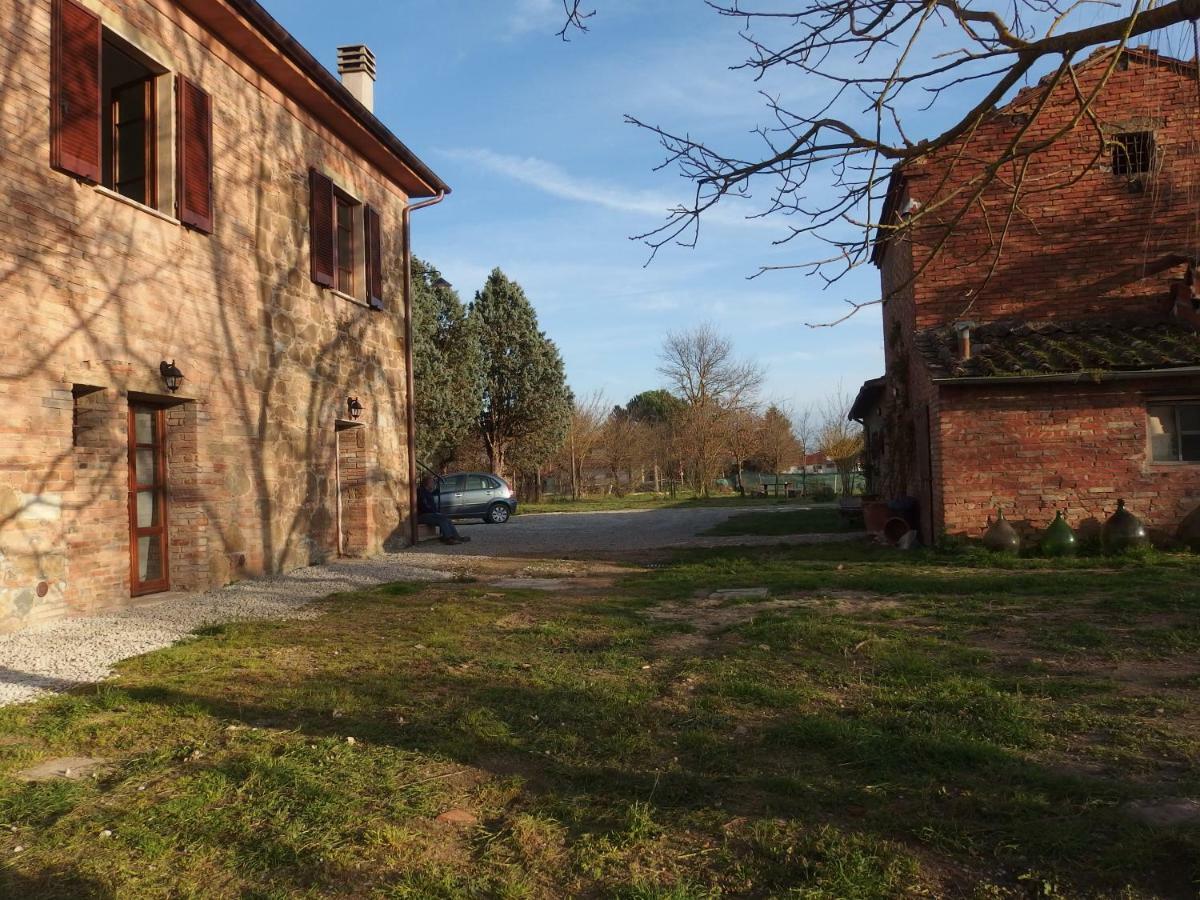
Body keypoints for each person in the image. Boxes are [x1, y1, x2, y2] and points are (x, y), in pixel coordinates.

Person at [417, 475, 471, 545]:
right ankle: (448, 538)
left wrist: (435, 513)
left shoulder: (427, 492)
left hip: (428, 514)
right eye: (432, 483)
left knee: (446, 518)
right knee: (442, 518)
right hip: (422, 516)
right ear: (428, 483)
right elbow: (424, 506)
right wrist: (435, 513)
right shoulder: (421, 492)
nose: (434, 484)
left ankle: (456, 537)